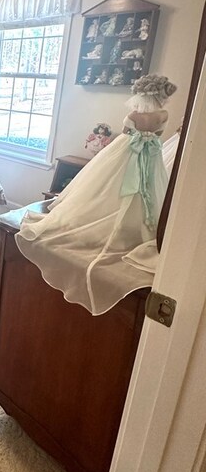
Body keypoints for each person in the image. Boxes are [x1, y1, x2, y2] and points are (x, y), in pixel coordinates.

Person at [15, 74, 177, 315]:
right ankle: (133, 230)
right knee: (144, 194)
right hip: (151, 158)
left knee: (106, 190)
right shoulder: (162, 116)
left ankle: (106, 226)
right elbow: (158, 136)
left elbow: (125, 133)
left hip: (125, 156)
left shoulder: (133, 115)